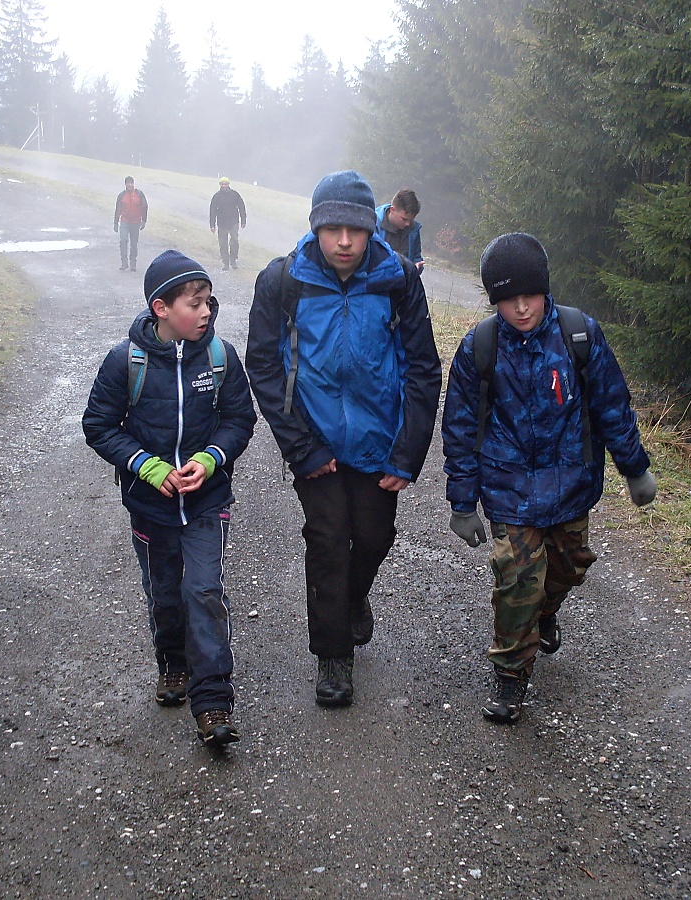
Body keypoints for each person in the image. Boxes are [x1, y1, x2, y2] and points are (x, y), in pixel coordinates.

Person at [441, 233, 657, 725]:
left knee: (569, 566)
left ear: (545, 290)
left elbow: (611, 406)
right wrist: (462, 502)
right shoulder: (480, 347)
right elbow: (460, 428)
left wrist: (635, 468)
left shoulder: (579, 335)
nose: (521, 308)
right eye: (508, 299)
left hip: (570, 484)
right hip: (508, 489)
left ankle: (543, 612)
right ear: (494, 300)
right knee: (517, 578)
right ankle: (511, 676)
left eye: (529, 296)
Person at [246, 171, 441, 708]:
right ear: (316, 228)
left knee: (375, 538)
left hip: (380, 440)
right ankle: (333, 656)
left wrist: (408, 453)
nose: (345, 242)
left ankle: (354, 599)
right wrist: (300, 446)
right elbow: (263, 365)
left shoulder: (398, 279)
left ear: (371, 227)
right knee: (329, 538)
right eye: (333, 230)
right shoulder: (283, 280)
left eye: (355, 230)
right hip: (317, 440)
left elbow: (423, 368)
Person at [82, 249, 256, 747]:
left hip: (207, 502)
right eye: (194, 304)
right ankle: (173, 661)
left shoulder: (221, 357)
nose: (205, 312)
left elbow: (239, 419)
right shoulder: (126, 361)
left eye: (208, 302)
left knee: (203, 590)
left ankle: (213, 701)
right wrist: (146, 465)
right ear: (161, 308)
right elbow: (98, 426)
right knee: (165, 594)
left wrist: (211, 458)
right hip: (150, 506)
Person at [375, 188, 424, 272]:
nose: (408, 224)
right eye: (404, 219)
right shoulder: (373, 224)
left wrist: (416, 268)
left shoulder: (413, 230)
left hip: (403, 279)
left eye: (411, 220)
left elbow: (416, 257)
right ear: (392, 210)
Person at [209, 177, 247, 271]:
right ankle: (225, 262)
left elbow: (241, 207)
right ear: (220, 185)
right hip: (222, 223)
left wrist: (243, 220)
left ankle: (233, 260)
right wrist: (212, 225)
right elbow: (212, 210)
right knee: (223, 243)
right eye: (222, 184)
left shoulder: (235, 194)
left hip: (233, 222)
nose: (224, 186)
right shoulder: (216, 196)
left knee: (234, 240)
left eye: (225, 184)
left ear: (228, 184)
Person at [113, 176, 148, 272]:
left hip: (136, 222)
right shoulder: (122, 195)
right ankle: (124, 263)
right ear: (125, 184)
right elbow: (118, 209)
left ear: (133, 184)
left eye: (131, 183)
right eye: (128, 183)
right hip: (124, 221)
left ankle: (133, 264)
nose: (129, 185)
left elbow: (144, 207)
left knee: (134, 244)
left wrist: (144, 221)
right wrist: (115, 222)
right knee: (123, 241)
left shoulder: (139, 194)